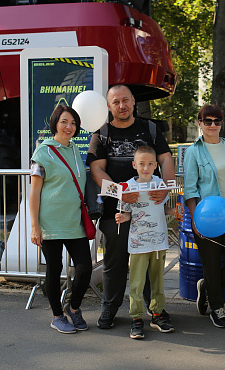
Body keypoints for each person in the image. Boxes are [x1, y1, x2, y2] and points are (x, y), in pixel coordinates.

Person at [87, 84, 175, 329]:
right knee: (115, 262)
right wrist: (121, 195)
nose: (121, 106)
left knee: (148, 261)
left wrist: (166, 188)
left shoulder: (150, 128)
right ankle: (110, 308)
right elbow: (97, 169)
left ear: (134, 101)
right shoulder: (101, 133)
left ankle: (155, 310)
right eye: (116, 102)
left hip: (150, 210)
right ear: (109, 106)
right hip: (115, 212)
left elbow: (166, 158)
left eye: (125, 100)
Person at [183, 104, 225, 328]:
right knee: (210, 264)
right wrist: (194, 219)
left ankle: (208, 288)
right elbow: (190, 189)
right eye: (207, 121)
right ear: (199, 123)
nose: (212, 125)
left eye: (217, 121)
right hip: (206, 217)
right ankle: (217, 309)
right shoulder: (194, 151)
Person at [29, 105, 93, 334]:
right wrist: (35, 226)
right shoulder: (42, 152)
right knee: (54, 269)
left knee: (85, 268)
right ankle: (57, 315)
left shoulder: (75, 150)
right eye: (65, 122)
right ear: (55, 123)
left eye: (73, 123)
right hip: (50, 223)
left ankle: (74, 307)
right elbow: (34, 192)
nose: (69, 127)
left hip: (74, 221)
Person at [115, 145, 175, 339]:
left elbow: (162, 210)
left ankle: (157, 314)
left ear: (156, 165)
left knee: (157, 281)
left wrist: (173, 213)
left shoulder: (160, 185)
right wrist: (122, 218)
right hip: (138, 243)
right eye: (142, 164)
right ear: (134, 165)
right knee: (137, 282)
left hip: (158, 241)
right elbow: (126, 213)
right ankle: (136, 318)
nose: (146, 168)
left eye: (150, 164)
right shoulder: (127, 186)